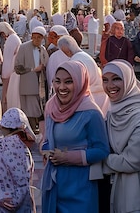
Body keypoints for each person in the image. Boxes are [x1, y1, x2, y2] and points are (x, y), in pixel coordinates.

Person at [41, 61, 109, 213]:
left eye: (69, 81)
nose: (62, 87)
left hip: (80, 186)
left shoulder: (91, 113)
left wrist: (68, 157)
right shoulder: (51, 107)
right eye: (57, 81)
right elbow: (47, 139)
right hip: (55, 184)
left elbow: (102, 150)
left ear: (80, 82)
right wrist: (45, 149)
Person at [101, 59, 140, 212]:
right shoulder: (111, 112)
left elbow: (132, 161)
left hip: (135, 193)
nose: (110, 86)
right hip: (113, 188)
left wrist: (99, 160)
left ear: (128, 81)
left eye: (116, 79)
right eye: (105, 80)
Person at [0, 107, 36, 213]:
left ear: (3, 126)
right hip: (19, 203)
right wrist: (16, 200)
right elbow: (23, 178)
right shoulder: (21, 147)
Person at [57, 35, 109, 115]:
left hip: (90, 99)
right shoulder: (85, 56)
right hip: (100, 96)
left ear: (67, 50)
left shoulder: (76, 61)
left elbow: (78, 85)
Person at [14, 26, 48, 133]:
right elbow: (17, 67)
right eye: (34, 37)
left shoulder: (42, 49)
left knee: (37, 107)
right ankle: (31, 129)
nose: (36, 40)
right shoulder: (23, 47)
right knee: (29, 108)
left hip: (39, 84)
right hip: (28, 84)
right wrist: (33, 69)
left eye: (39, 38)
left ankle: (35, 128)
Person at [0, 21, 21, 112]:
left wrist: (4, 75)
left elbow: (7, 59)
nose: (2, 35)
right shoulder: (14, 38)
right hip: (13, 71)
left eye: (2, 33)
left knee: (7, 96)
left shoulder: (12, 39)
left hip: (10, 73)